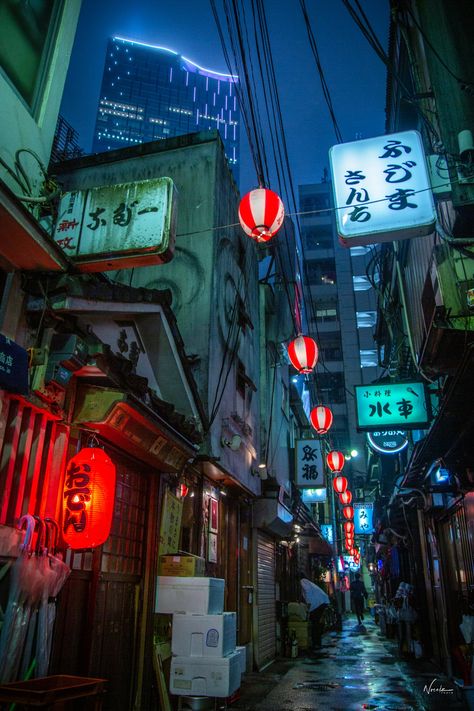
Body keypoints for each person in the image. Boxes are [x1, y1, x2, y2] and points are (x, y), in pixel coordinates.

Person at [299, 573, 329, 650]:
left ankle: (316, 643)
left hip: (317, 604)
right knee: (316, 623)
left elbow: (308, 592)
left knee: (315, 624)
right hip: (321, 602)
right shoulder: (308, 582)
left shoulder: (303, 581)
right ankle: (317, 643)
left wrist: (308, 604)